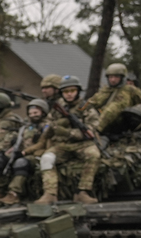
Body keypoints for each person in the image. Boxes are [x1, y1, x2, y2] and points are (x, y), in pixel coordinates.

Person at [34, 75, 101, 205]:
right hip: (62, 145)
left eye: (72, 91)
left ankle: (82, 192)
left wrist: (68, 132)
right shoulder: (57, 107)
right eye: (65, 92)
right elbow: (45, 124)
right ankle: (50, 194)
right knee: (47, 158)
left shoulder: (86, 107)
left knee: (94, 155)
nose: (69, 94)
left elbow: (91, 130)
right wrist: (52, 127)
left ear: (78, 91)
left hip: (83, 144)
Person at [1, 98, 51, 205]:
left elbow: (43, 144)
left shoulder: (47, 126)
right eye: (31, 113)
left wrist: (24, 152)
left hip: (40, 155)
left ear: (43, 112)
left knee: (21, 163)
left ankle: (14, 193)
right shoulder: (26, 127)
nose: (33, 115)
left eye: (36, 112)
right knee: (0, 160)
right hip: (24, 153)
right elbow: (20, 142)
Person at [85, 63, 141, 133]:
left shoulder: (131, 90)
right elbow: (90, 104)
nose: (113, 80)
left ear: (122, 77)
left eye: (116, 77)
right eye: (110, 77)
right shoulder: (105, 90)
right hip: (100, 124)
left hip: (122, 127)